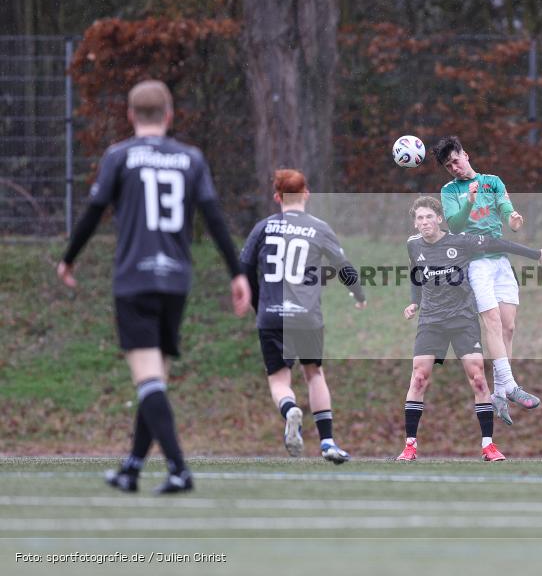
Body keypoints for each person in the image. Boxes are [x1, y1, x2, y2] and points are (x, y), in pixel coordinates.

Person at [57, 80, 251, 493]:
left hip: (135, 280)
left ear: (130, 115)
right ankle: (131, 468)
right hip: (175, 281)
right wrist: (237, 272)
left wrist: (69, 257)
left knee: (148, 381)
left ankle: (179, 468)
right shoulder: (191, 158)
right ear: (169, 115)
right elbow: (214, 217)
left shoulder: (119, 156)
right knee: (155, 379)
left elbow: (93, 211)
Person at [397, 196, 542, 462]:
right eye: (419, 218)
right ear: (415, 222)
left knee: (478, 379)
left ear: (439, 218)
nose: (424, 223)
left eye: (429, 217)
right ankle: (410, 446)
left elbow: (498, 243)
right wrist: (414, 302)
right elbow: (416, 273)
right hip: (431, 321)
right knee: (419, 378)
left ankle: (488, 446)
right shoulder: (413, 245)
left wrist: (536, 254)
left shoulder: (460, 241)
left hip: (462, 320)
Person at [240, 169, 365, 463]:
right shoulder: (319, 228)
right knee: (314, 374)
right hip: (307, 317)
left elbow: (244, 270)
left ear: (277, 197)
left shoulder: (262, 228)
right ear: (306, 193)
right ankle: (328, 442)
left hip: (272, 316)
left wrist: (259, 304)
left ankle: (289, 409)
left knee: (279, 381)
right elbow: (343, 266)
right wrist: (358, 293)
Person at [434, 136, 539, 426]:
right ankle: (511, 385)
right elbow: (454, 225)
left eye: (455, 160)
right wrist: (468, 200)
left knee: (508, 326)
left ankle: (499, 392)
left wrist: (514, 218)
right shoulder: (449, 191)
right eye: (448, 165)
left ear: (465, 154)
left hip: (500, 259)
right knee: (491, 321)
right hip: (474, 262)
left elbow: (507, 210)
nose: (453, 167)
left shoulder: (493, 181)